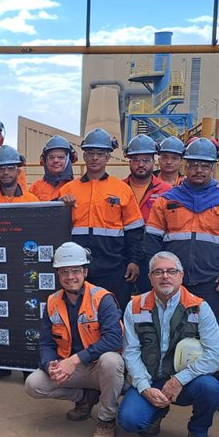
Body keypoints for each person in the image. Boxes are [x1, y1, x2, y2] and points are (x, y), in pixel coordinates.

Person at [144, 137, 219, 414]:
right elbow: (151, 241)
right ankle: (162, 383)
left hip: (209, 282)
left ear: (213, 168)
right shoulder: (167, 200)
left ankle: (215, 388)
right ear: (185, 166)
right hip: (172, 283)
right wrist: (157, 275)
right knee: (164, 332)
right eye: (194, 164)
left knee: (212, 337)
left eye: (205, 165)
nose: (199, 170)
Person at [119, 251, 219, 437]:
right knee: (130, 421)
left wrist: (179, 380)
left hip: (185, 383)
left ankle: (199, 433)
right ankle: (157, 411)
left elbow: (218, 356)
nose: (165, 276)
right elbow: (130, 352)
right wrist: (144, 387)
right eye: (158, 272)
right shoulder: (135, 306)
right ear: (150, 278)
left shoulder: (199, 307)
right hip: (150, 379)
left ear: (181, 276)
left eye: (171, 271)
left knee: (210, 388)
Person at [24, 242, 125, 437]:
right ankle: (84, 397)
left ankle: (106, 420)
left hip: (100, 369)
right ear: (58, 274)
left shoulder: (102, 298)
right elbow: (46, 342)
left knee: (112, 360)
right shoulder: (52, 301)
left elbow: (114, 339)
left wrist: (74, 361)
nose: (70, 276)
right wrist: (50, 366)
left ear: (85, 272)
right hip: (73, 370)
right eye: (64, 271)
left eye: (76, 270)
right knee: (34, 384)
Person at [58, 127, 145, 311]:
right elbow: (54, 226)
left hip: (113, 267)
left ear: (108, 157)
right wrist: (60, 204)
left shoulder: (122, 189)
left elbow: (134, 230)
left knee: (114, 312)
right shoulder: (68, 190)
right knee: (79, 313)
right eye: (90, 153)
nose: (95, 158)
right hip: (78, 267)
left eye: (100, 153)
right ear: (84, 155)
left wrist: (134, 261)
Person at [0, 145, 40, 382]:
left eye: (10, 168)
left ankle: (27, 366)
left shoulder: (32, 200)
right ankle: (1, 364)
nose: (5, 173)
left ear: (18, 170)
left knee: (26, 316)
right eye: (1, 169)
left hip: (24, 266)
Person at [123, 134, 172, 294]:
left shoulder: (166, 191)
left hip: (155, 253)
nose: (141, 164)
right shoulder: (119, 188)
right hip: (125, 253)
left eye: (146, 160)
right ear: (129, 161)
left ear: (154, 161)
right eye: (136, 160)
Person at [29, 135, 76, 202]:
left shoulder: (77, 187)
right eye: (51, 157)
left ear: (68, 160)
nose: (56, 160)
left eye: (61, 157)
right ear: (44, 160)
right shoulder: (35, 187)